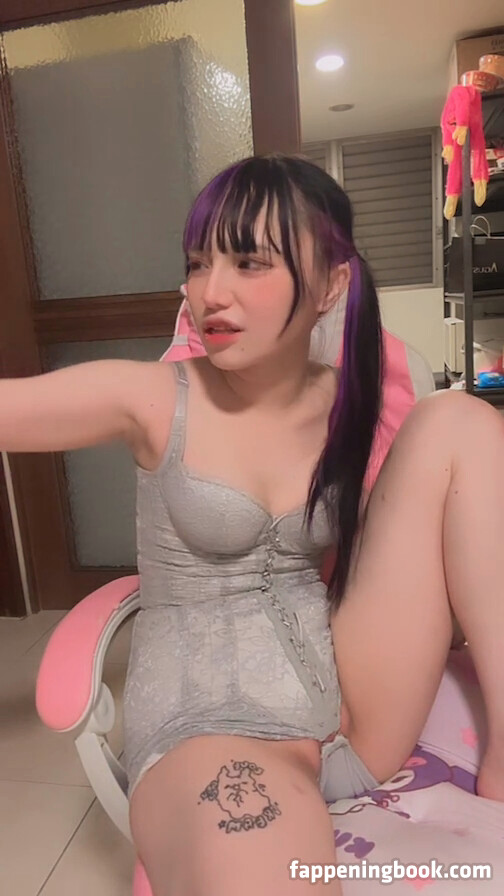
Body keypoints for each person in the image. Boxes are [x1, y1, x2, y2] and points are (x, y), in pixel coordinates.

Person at [1, 154, 503, 896]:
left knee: (461, 419)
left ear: (331, 284)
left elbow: (408, 549)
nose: (210, 292)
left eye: (248, 262)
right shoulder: (152, 399)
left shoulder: (349, 400)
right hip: (212, 735)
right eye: (197, 263)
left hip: (354, 715)